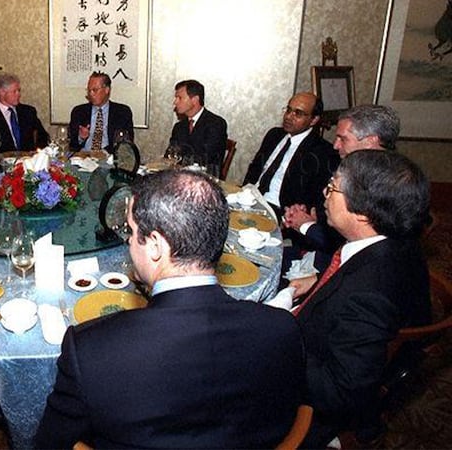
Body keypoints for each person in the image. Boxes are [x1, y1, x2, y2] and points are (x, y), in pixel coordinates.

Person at [35, 170, 306, 449]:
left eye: (131, 231)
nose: (128, 241)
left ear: (155, 245)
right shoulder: (283, 329)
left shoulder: (90, 352)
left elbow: (50, 443)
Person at [289, 151, 431, 447]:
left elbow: (340, 390)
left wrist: (278, 346)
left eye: (333, 187)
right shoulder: (390, 244)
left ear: (364, 212)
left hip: (305, 409)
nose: (324, 194)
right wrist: (318, 281)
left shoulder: (369, 294)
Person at [282, 104, 401, 270]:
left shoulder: (386, 185)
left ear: (370, 141)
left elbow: (348, 245)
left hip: (336, 270)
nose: (335, 145)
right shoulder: (359, 167)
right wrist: (311, 217)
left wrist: (306, 225)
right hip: (320, 255)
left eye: (343, 139)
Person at [243, 92, 339, 218]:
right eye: (288, 110)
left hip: (279, 211)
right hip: (250, 198)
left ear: (313, 120)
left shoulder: (323, 152)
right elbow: (254, 168)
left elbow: (313, 198)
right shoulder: (274, 135)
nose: (289, 116)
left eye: (298, 113)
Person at [0, 73, 49, 153]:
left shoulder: (29, 112)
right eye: (14, 91)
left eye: (19, 90)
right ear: (2, 92)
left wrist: (38, 154)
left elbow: (43, 137)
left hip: (28, 162)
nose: (19, 94)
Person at [68, 71, 134, 153]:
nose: (91, 94)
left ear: (107, 90)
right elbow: (72, 145)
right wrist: (81, 138)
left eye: (95, 90)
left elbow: (125, 144)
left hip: (109, 158)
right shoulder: (78, 112)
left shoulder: (122, 112)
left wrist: (102, 153)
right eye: (89, 90)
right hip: (83, 158)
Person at [169, 79, 228, 168]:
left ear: (195, 100)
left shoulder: (216, 124)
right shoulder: (179, 127)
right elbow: (170, 154)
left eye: (180, 98)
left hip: (205, 178)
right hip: (180, 176)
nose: (175, 102)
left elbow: (205, 158)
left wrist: (180, 157)